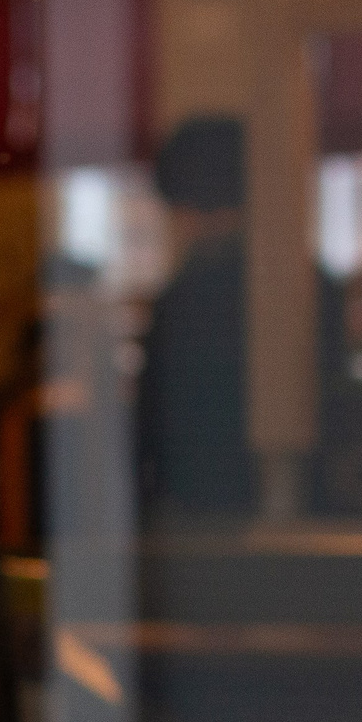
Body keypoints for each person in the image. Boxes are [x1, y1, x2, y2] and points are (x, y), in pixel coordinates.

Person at [136, 115, 254, 519]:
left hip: (202, 503)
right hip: (266, 495)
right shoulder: (300, 284)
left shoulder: (189, 295)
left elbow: (156, 416)